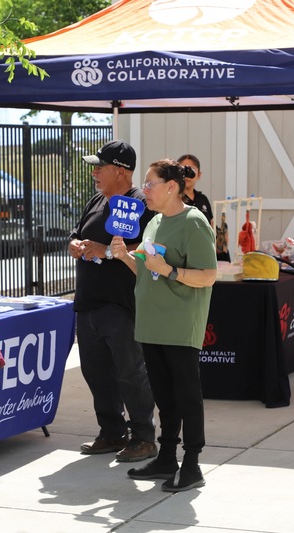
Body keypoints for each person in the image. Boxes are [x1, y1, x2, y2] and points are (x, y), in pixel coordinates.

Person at [110, 158, 217, 492]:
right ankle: (167, 456)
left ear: (172, 187)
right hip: (153, 323)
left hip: (180, 325)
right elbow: (146, 269)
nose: (145, 191)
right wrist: (126, 257)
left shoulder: (194, 221)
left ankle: (193, 463)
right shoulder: (154, 222)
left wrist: (169, 270)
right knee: (164, 397)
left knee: (187, 396)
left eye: (150, 184)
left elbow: (209, 275)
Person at [68, 140, 158, 463]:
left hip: (120, 304)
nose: (94, 172)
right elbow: (77, 233)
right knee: (95, 371)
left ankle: (144, 437)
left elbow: (145, 251)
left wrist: (103, 251)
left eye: (100, 166)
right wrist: (77, 244)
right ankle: (111, 431)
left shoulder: (140, 205)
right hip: (88, 303)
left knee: (130, 371)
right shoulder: (96, 200)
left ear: (120, 171)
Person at [177, 153, 230, 261]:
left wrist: (220, 241)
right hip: (183, 252)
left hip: (204, 252)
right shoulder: (174, 198)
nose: (187, 174)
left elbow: (211, 225)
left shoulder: (203, 199)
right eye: (183, 169)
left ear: (199, 174)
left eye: (191, 170)